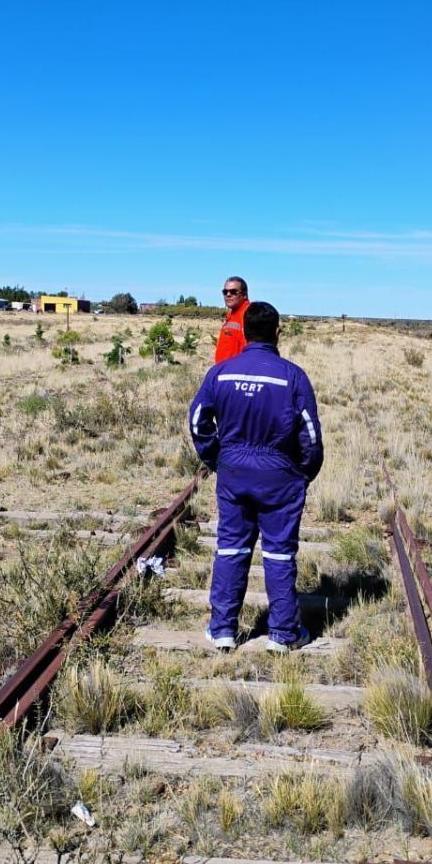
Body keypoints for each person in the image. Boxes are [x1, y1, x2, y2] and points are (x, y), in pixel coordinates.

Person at [189, 301, 324, 652]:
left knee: (231, 547)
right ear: (278, 332)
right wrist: (303, 472)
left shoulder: (221, 373)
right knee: (279, 553)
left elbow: (198, 421)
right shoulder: (292, 376)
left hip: (235, 474)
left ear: (245, 332)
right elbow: (310, 435)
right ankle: (283, 634)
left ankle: (222, 630)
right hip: (280, 476)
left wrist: (216, 456)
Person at [214, 276, 250, 363]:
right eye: (225, 292)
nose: (228, 295)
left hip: (235, 373)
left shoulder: (248, 315)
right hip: (224, 371)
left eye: (233, 292)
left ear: (244, 294)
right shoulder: (232, 315)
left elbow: (249, 352)